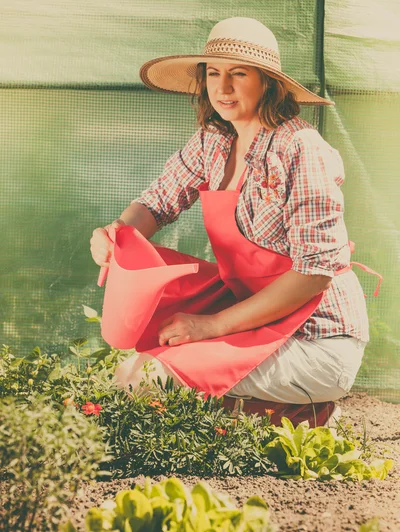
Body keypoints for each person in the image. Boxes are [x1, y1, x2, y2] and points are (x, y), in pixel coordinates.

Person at [90, 17, 375, 427]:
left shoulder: (301, 149)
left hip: (316, 339)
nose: (222, 88)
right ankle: (289, 415)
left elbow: (314, 273)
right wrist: (114, 234)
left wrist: (210, 326)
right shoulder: (214, 139)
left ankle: (301, 409)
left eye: (238, 74)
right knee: (132, 371)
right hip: (256, 319)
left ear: (268, 83)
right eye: (213, 73)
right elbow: (154, 205)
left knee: (153, 379)